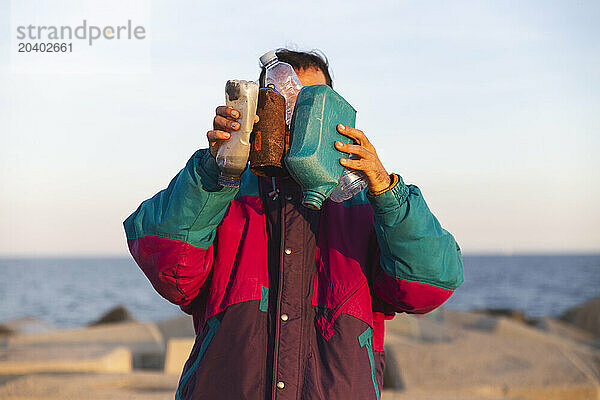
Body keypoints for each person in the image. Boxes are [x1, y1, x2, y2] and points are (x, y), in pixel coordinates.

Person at [124, 49, 464, 400]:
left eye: (310, 106)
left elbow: (429, 286)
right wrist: (216, 167)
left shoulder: (366, 207)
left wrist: (386, 191)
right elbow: (171, 267)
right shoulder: (223, 193)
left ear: (334, 115)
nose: (295, 119)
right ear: (257, 110)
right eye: (283, 104)